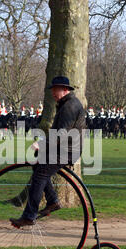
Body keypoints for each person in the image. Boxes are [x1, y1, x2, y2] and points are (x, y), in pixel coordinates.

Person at [10, 76, 86, 228]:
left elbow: (62, 134)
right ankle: (52, 201)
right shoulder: (66, 104)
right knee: (38, 166)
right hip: (63, 148)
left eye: (55, 89)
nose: (52, 93)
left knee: (40, 175)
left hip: (66, 150)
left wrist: (43, 143)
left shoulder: (70, 106)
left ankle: (29, 215)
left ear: (65, 90)